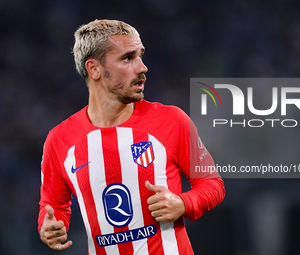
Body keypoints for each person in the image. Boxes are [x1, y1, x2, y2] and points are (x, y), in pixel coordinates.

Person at [38, 19, 225, 255]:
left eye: (140, 56)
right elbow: (53, 206)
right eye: (128, 58)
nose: (142, 67)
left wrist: (183, 203)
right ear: (94, 69)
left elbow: (212, 184)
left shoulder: (171, 120)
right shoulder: (60, 140)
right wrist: (49, 227)